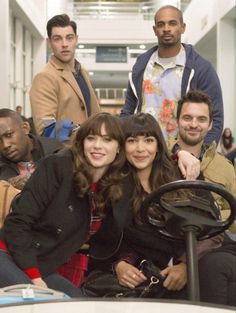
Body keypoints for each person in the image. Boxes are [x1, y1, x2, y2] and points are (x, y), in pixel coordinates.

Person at [86, 113, 222, 300]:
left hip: (193, 259)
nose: (140, 149)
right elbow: (108, 240)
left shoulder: (183, 174)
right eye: (132, 141)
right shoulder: (115, 186)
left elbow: (213, 230)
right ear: (123, 146)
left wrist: (185, 265)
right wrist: (119, 264)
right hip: (148, 272)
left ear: (158, 146)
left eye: (148, 140)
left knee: (220, 266)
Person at [0, 112, 132, 297]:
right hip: (9, 254)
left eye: (107, 139)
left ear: (118, 147)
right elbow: (17, 223)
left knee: (83, 306)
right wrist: (35, 278)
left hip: (41, 263)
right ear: (82, 143)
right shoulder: (57, 167)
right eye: (91, 138)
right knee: (40, 302)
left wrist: (182, 154)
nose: (97, 146)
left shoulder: (114, 187)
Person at [120, 5, 223, 145]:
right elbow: (128, 111)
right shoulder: (141, 67)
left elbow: (215, 118)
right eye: (161, 24)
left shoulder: (201, 69)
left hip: (184, 155)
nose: (166, 28)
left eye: (172, 23)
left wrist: (200, 156)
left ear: (183, 27)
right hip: (144, 152)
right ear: (155, 30)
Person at [170, 89, 236, 306]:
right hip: (167, 242)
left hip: (211, 245)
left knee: (218, 265)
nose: (193, 124)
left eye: (201, 119)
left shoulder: (223, 167)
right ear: (177, 120)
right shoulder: (159, 157)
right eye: (187, 118)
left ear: (210, 125)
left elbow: (233, 217)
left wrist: (216, 212)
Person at [30, 14, 100, 135]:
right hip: (65, 151)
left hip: (90, 150)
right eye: (57, 39)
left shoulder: (81, 71)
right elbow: (47, 130)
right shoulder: (45, 77)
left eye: (69, 38)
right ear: (49, 43)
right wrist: (84, 133)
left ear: (76, 39)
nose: (64, 44)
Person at [0, 109, 63, 190]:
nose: (5, 145)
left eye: (9, 135)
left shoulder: (55, 152)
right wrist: (9, 185)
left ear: (25, 128)